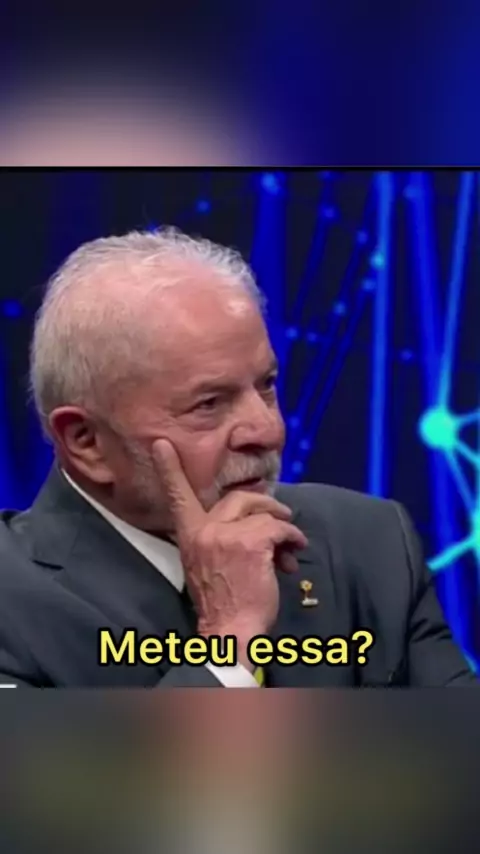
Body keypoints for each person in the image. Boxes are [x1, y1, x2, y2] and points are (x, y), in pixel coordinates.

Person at [0, 228, 476, 687]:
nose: (268, 430)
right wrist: (229, 645)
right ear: (87, 441)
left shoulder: (371, 546)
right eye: (208, 404)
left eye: (266, 386)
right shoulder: (14, 606)